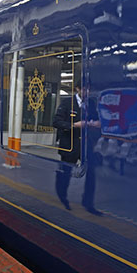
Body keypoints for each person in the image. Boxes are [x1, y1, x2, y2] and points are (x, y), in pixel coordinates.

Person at [53, 83, 101, 214]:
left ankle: (88, 203)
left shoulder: (91, 103)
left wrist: (96, 124)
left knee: (92, 172)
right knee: (66, 172)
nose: (87, 92)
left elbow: (96, 119)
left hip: (86, 145)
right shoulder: (67, 102)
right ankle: (62, 198)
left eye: (89, 89)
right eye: (85, 89)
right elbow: (56, 122)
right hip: (70, 144)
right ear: (78, 89)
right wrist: (74, 125)